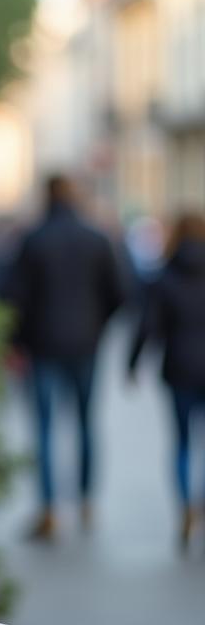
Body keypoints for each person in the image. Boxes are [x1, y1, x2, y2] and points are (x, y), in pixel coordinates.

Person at [7, 175, 128, 537]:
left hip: (43, 346)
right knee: (86, 423)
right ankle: (87, 502)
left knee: (43, 428)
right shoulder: (96, 238)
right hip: (86, 345)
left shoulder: (33, 239)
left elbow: (16, 297)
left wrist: (17, 340)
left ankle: (49, 509)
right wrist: (97, 325)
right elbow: (121, 292)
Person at [128, 212, 205, 549]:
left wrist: (131, 363)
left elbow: (148, 324)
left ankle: (185, 507)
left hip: (179, 369)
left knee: (183, 442)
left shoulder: (164, 276)